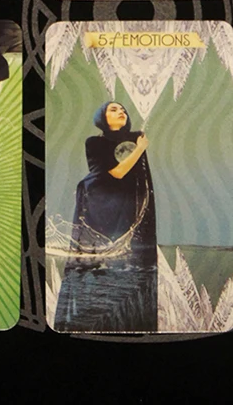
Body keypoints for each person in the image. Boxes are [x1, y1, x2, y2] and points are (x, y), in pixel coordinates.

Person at [53, 101, 157, 332]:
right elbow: (116, 173)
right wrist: (140, 148)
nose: (121, 112)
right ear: (102, 117)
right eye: (113, 109)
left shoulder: (134, 139)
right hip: (99, 202)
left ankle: (128, 320)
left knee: (128, 262)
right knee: (97, 260)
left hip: (125, 203)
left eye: (123, 109)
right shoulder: (95, 142)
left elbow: (141, 181)